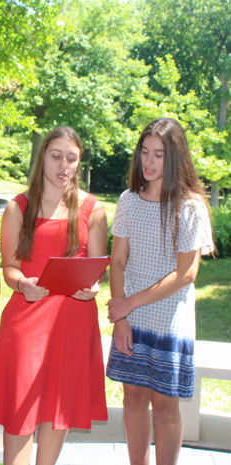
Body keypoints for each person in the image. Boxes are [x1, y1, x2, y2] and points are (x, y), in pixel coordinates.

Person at [0, 127, 108, 465]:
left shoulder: (93, 210)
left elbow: (97, 269)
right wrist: (23, 284)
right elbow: (10, 270)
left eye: (72, 158)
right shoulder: (18, 208)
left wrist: (93, 288)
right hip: (28, 319)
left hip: (74, 320)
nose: (63, 165)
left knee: (58, 406)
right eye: (56, 156)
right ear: (43, 156)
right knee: (21, 408)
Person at [106, 118, 214, 465]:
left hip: (170, 321)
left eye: (159, 155)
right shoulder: (128, 201)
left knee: (165, 407)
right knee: (133, 399)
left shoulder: (190, 207)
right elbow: (118, 260)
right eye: (144, 152)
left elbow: (186, 274)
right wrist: (122, 318)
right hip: (130, 320)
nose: (149, 162)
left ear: (176, 158)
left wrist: (127, 304)